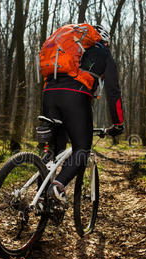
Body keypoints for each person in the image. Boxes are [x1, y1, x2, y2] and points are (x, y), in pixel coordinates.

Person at [42, 25, 124, 214]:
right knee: (82, 149)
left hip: (49, 92)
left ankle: (41, 201)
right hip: (75, 96)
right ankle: (57, 186)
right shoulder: (103, 52)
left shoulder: (69, 47)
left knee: (54, 152)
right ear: (105, 41)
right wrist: (118, 123)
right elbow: (113, 91)